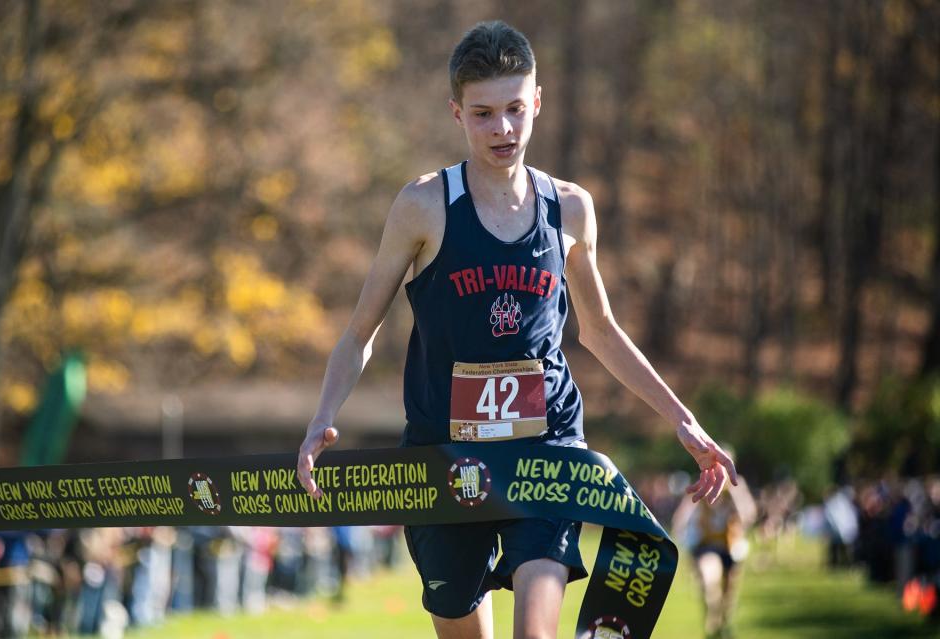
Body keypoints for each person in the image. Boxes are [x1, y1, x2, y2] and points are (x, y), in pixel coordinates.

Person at [297, 20, 737, 639]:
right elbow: (359, 332)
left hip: (546, 449)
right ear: (457, 113)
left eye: (513, 109)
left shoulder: (571, 208)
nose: (502, 129)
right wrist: (322, 417)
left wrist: (682, 419)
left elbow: (601, 330)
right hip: (446, 457)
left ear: (537, 101)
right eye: (482, 114)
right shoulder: (422, 206)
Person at [673, 466, 757, 639]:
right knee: (708, 581)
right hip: (707, 546)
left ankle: (723, 624)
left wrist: (735, 494)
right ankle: (711, 623)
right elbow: (683, 513)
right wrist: (679, 532)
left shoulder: (736, 486)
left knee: (728, 594)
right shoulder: (703, 484)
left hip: (731, 547)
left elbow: (748, 517)